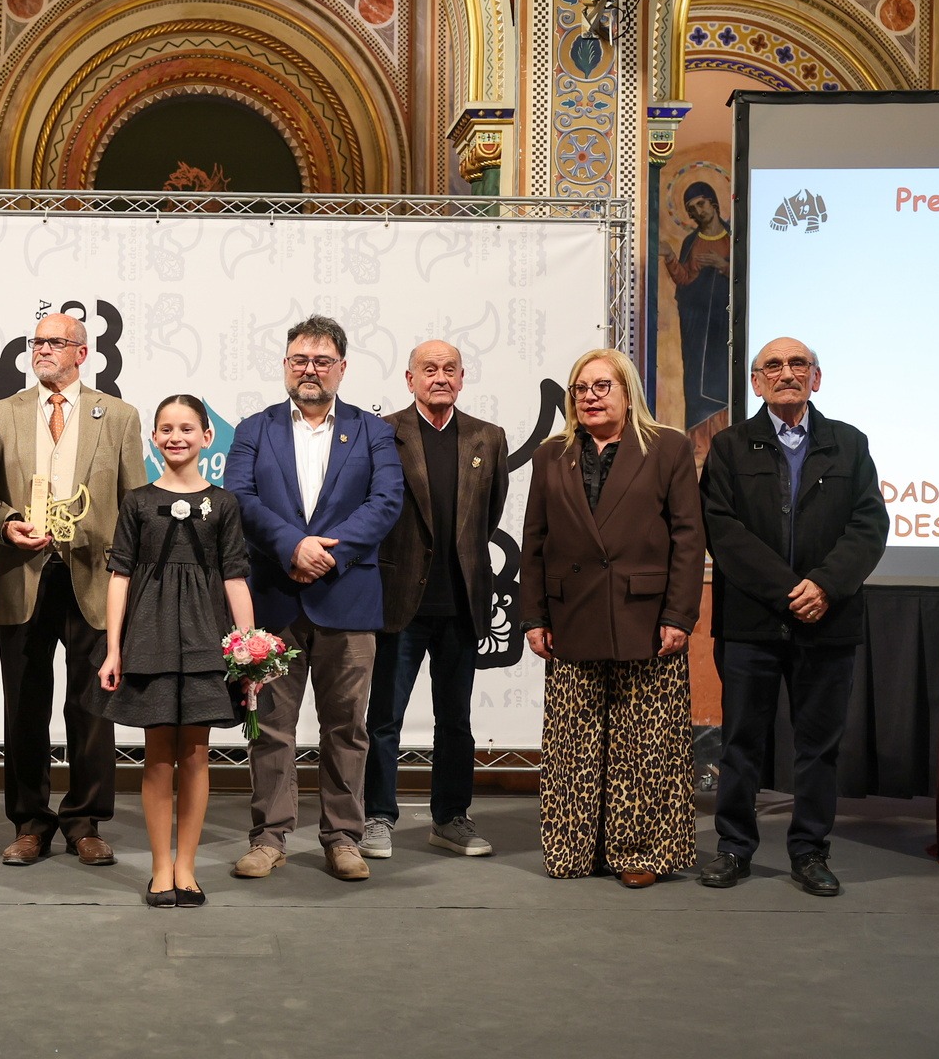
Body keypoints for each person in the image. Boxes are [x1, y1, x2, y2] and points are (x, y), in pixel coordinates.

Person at [699, 337, 887, 897]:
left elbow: (869, 526)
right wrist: (790, 591)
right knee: (740, 743)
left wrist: (825, 586)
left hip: (828, 622)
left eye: (798, 365)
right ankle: (734, 848)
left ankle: (809, 852)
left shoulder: (849, 444)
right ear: (756, 382)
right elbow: (723, 531)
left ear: (816, 379)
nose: (787, 373)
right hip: (752, 623)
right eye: (773, 366)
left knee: (818, 747)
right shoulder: (730, 447)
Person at [226, 314, 404, 881]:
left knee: (347, 727)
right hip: (275, 598)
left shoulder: (373, 432)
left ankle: (343, 838)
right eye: (300, 359)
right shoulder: (254, 430)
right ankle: (269, 837)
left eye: (322, 361)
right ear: (284, 366)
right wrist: (292, 548)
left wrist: (330, 552)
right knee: (270, 727)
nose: (310, 369)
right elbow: (240, 498)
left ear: (342, 369)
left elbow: (387, 500)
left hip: (347, 598)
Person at [519, 348, 704, 889]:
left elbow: (688, 540)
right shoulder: (552, 454)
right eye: (581, 388)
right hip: (570, 617)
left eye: (603, 386)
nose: (590, 396)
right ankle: (573, 849)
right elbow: (534, 541)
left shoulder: (667, 447)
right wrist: (533, 616)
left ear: (628, 393)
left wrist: (679, 615)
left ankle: (640, 851)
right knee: (572, 745)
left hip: (648, 620)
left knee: (643, 745)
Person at [0, 312, 146, 868]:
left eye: (55, 343)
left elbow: (135, 507)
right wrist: (6, 523)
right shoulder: (0, 415)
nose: (43, 350)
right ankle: (29, 824)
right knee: (23, 707)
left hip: (94, 579)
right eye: (37, 342)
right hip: (22, 575)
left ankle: (86, 821)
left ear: (83, 352)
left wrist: (131, 584)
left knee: (92, 707)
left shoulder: (119, 416)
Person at [93, 396, 254, 906]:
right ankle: (161, 867)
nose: (175, 436)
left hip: (207, 638)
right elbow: (119, 577)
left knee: (197, 753)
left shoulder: (224, 503)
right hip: (149, 637)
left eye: (187, 428)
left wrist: (249, 651)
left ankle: (188, 865)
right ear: (154, 439)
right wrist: (113, 649)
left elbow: (235, 578)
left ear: (208, 437)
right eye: (165, 429)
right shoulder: (137, 501)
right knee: (158, 756)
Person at [360, 340, 509, 862]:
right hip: (398, 602)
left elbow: (487, 519)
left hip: (462, 604)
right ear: (409, 379)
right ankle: (377, 816)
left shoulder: (488, 438)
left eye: (450, 369)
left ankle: (450, 818)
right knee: (384, 719)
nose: (439, 377)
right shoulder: (381, 434)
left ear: (462, 378)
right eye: (429, 369)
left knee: (456, 722)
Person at [659, 181, 731, 431]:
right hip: (698, 327)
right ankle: (699, 447)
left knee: (724, 376)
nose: (697, 212)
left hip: (726, 324)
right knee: (696, 382)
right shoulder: (691, 242)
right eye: (691, 209)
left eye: (700, 204)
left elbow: (752, 274)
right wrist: (669, 256)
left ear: (713, 202)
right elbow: (685, 279)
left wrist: (723, 265)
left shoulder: (735, 237)